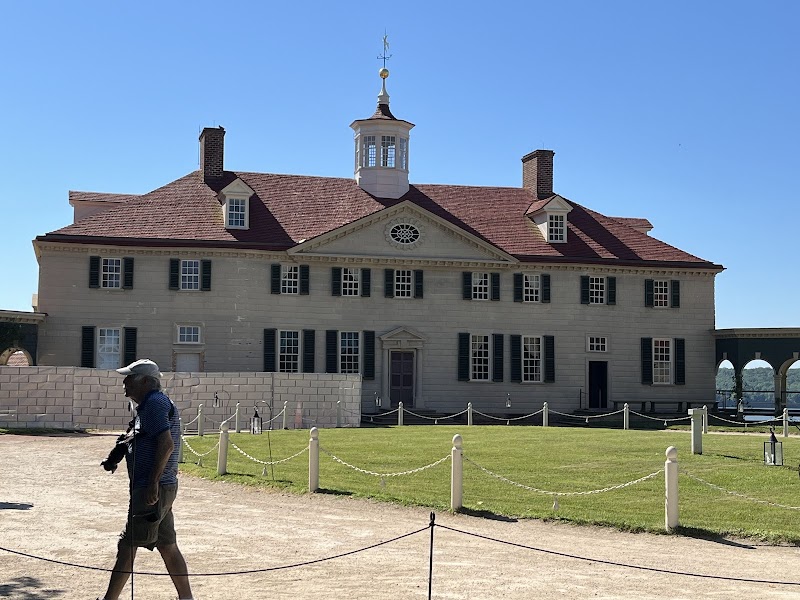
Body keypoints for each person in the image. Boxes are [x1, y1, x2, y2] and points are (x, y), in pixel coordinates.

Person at [97, 359, 193, 600]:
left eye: (130, 378)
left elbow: (166, 444)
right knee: (166, 545)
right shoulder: (151, 404)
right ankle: (187, 598)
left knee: (128, 544)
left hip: (153, 487)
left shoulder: (153, 404)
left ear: (147, 382)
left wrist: (152, 483)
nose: (125, 383)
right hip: (163, 486)